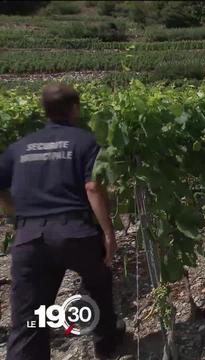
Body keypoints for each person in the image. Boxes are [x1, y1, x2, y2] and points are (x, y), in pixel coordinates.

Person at [0, 84, 124, 359]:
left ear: (44, 111)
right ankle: (105, 342)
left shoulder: (20, 147)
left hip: (29, 236)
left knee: (28, 316)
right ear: (75, 109)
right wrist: (107, 233)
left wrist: (16, 213)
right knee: (98, 280)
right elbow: (92, 187)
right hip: (74, 232)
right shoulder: (85, 141)